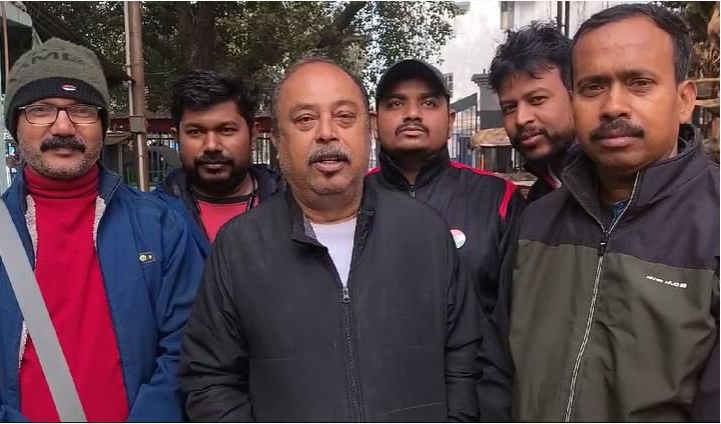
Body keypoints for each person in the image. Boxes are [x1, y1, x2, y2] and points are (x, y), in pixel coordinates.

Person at [178, 57, 482, 422]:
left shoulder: (425, 233)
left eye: (344, 116)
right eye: (305, 119)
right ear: (277, 139)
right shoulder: (239, 247)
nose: (326, 133)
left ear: (368, 130)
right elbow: (210, 380)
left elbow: (464, 361)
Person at [0, 38, 204, 422]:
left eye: (82, 110)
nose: (63, 126)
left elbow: (188, 346)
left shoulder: (160, 226)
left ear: (103, 125)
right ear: (15, 125)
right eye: (41, 110)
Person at [508, 4, 719, 421]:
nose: (613, 106)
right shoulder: (537, 221)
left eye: (639, 83)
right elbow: (499, 369)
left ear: (683, 100)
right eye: (593, 87)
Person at [368, 59, 524, 317]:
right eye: (395, 103)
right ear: (375, 122)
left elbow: (516, 312)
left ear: (450, 121)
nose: (412, 114)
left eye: (429, 103)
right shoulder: (351, 199)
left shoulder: (498, 198)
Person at [155, 70, 284, 256]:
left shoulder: (293, 208)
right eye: (196, 132)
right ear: (177, 137)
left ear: (253, 135)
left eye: (227, 130)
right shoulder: (152, 216)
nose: (211, 146)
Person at [489, 21, 577, 203]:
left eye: (537, 99)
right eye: (509, 108)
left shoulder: (620, 185)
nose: (521, 119)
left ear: (576, 95)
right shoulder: (537, 201)